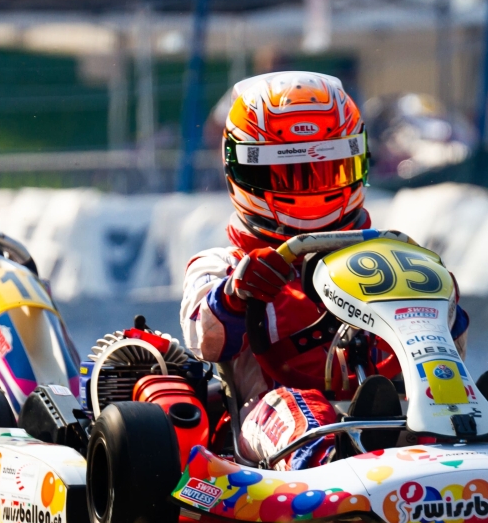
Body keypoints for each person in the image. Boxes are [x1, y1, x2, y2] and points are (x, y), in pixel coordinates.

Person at [180, 70, 469, 470]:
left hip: (391, 401)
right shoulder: (222, 265)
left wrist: (441, 303)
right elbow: (206, 340)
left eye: (328, 173)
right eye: (290, 177)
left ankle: (476, 437)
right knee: (300, 408)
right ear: (244, 171)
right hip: (270, 412)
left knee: (446, 392)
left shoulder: (389, 255)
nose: (311, 193)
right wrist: (237, 294)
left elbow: (454, 346)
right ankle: (332, 461)